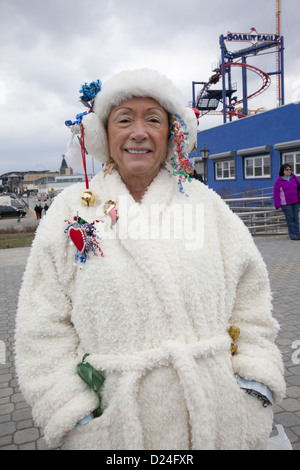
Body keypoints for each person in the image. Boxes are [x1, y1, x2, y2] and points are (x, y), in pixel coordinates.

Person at [15, 69, 285, 450]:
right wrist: (71, 412)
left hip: (219, 420)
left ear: (171, 133)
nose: (138, 132)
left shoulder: (207, 206)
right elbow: (42, 326)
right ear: (103, 135)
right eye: (124, 119)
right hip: (118, 430)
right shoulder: (70, 212)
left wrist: (254, 386)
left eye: (153, 120)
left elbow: (252, 305)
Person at [273, 163, 300, 240]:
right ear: (283, 171)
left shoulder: (293, 178)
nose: (289, 171)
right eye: (287, 169)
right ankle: (293, 235)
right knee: (290, 219)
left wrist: (295, 176)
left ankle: (298, 234)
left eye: (290, 169)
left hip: (296, 202)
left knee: (296, 218)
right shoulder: (278, 181)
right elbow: (276, 193)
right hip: (286, 204)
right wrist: (277, 204)